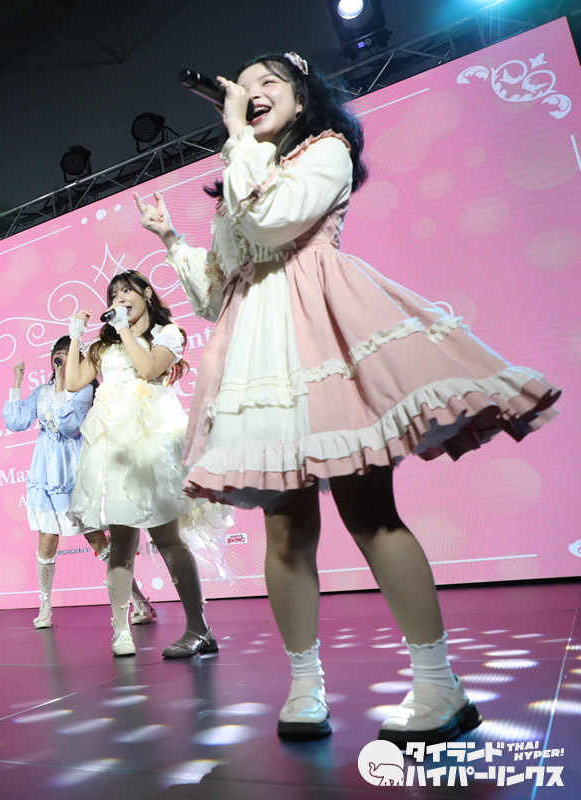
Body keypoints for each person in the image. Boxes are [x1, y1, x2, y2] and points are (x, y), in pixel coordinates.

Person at [136, 51, 560, 744]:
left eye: (268, 83)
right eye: (244, 87)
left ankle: (439, 685)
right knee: (285, 528)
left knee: (370, 513)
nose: (252, 92)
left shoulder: (326, 150)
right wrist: (173, 240)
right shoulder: (243, 168)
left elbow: (275, 221)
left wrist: (238, 137)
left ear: (302, 99)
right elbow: (218, 291)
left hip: (321, 339)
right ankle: (305, 686)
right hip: (257, 355)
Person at [64, 271, 232, 658]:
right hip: (114, 449)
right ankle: (121, 631)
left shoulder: (167, 334)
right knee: (121, 543)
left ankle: (199, 628)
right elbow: (73, 382)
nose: (119, 298)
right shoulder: (104, 347)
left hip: (151, 446)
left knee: (168, 539)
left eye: (127, 291)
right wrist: (75, 336)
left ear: (147, 294)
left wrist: (123, 327)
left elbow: (148, 369)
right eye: (113, 294)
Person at [3, 336, 157, 629]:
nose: (61, 358)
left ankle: (139, 601)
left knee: (97, 540)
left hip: (75, 472)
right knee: (46, 540)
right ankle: (45, 607)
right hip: (46, 474)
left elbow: (68, 425)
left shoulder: (85, 391)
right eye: (57, 353)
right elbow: (16, 421)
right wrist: (18, 381)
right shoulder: (42, 391)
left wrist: (62, 382)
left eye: (67, 354)